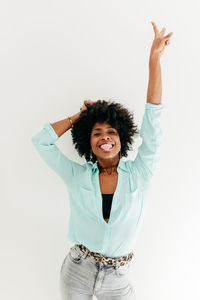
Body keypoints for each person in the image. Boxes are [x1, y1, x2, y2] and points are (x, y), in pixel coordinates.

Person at [31, 21, 173, 300]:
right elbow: (41, 141)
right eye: (97, 133)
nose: (105, 137)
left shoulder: (140, 173)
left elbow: (154, 117)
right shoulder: (78, 175)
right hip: (77, 271)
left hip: (119, 279)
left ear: (122, 137)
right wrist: (76, 118)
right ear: (88, 142)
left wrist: (153, 60)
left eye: (111, 131)